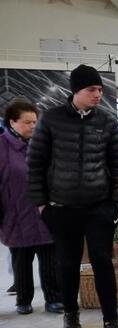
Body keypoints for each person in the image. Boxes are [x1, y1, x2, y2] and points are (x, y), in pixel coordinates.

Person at [27, 64, 118, 328]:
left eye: (99, 89)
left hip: (99, 207)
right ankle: (71, 314)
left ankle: (112, 322)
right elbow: (35, 163)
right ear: (76, 91)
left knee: (103, 262)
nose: (98, 94)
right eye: (91, 89)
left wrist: (115, 201)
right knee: (67, 262)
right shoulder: (51, 119)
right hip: (61, 207)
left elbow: (117, 164)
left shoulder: (107, 121)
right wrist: (41, 204)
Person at [1, 101, 62, 315]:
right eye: (27, 122)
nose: (33, 127)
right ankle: (23, 299)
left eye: (35, 122)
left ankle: (53, 298)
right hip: (15, 214)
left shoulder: (43, 145)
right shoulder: (2, 146)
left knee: (49, 258)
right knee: (21, 260)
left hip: (44, 211)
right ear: (12, 122)